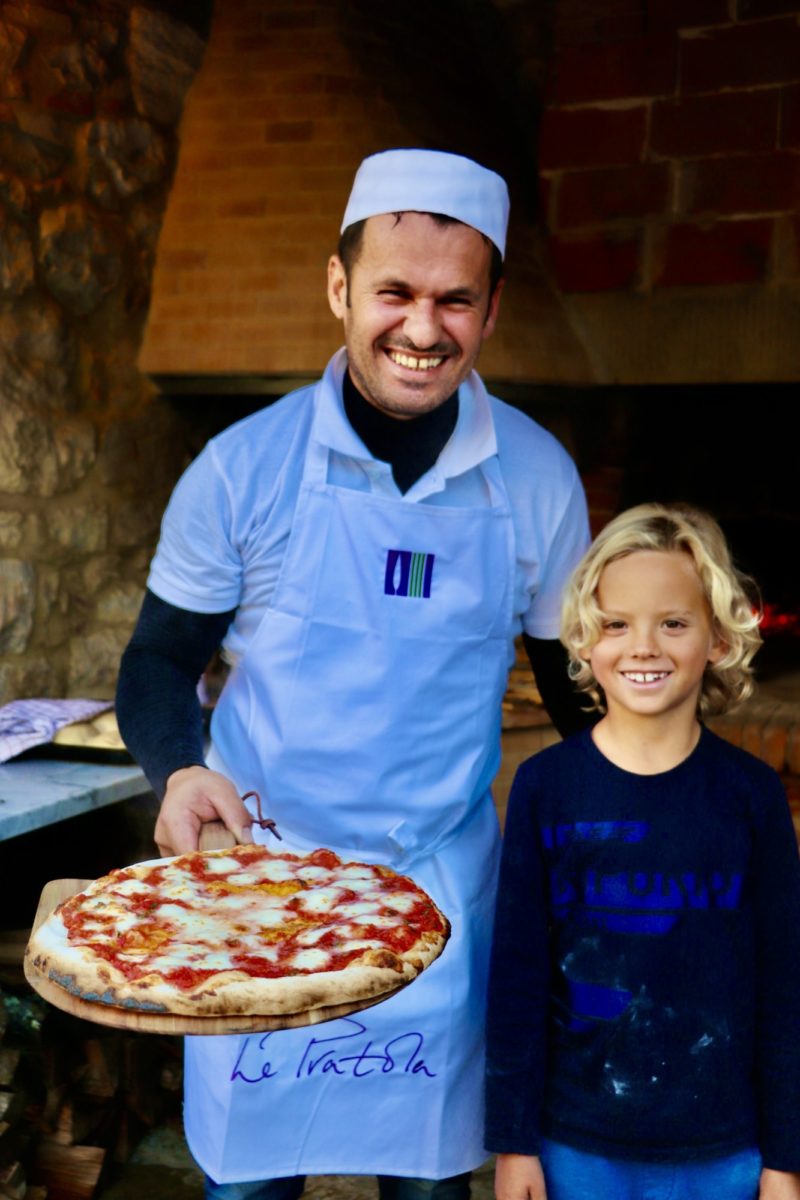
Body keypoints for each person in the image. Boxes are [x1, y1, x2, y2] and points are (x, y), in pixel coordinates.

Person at [117, 148, 591, 1198]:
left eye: (454, 300)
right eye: (394, 292)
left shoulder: (538, 478)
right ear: (337, 287)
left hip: (437, 896)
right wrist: (179, 771)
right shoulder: (241, 467)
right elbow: (158, 659)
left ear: (491, 309)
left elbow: (575, 696)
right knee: (252, 1182)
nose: (423, 328)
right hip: (257, 891)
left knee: (427, 1182)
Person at [485, 502, 800, 1200]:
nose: (644, 647)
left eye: (674, 623)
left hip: (725, 1152)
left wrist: (787, 1157)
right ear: (582, 638)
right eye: (617, 624)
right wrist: (514, 1143)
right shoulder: (546, 786)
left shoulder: (751, 796)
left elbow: (785, 982)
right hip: (577, 1147)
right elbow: (517, 976)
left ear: (718, 639)